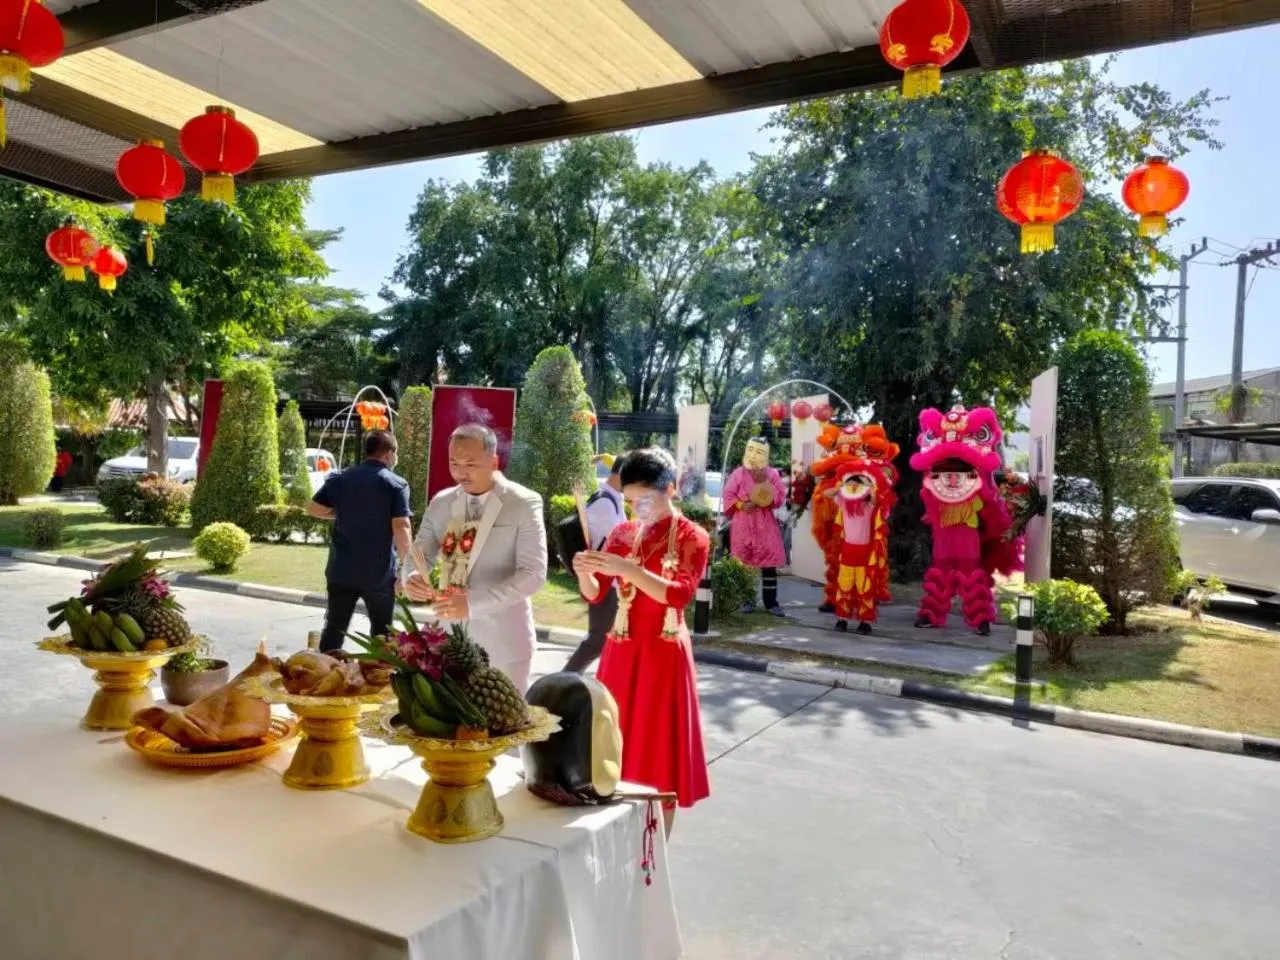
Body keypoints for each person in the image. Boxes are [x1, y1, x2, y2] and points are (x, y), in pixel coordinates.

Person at [573, 447, 711, 836]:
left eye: (645, 500)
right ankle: (615, 837)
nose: (637, 510)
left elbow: (678, 594)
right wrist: (583, 571)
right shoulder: (623, 533)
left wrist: (626, 569)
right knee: (613, 746)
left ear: (670, 489)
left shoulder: (693, 536)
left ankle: (656, 848)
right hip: (623, 648)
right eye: (631, 501)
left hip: (663, 652)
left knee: (659, 755)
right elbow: (596, 593)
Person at [404, 423, 546, 693]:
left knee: (501, 720)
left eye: (470, 464)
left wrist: (472, 603)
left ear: (493, 461)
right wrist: (411, 577)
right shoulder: (441, 502)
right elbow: (419, 552)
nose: (460, 472)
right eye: (454, 463)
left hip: (502, 643)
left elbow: (533, 573)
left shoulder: (523, 503)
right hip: (446, 641)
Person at [307, 430, 413, 653]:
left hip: (341, 570)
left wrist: (342, 513)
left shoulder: (341, 478)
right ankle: (377, 672)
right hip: (378, 573)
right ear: (388, 453)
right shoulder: (396, 484)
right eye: (396, 453)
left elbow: (313, 508)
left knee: (334, 628)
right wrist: (408, 569)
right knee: (382, 633)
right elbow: (401, 526)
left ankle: (324, 669)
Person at [563, 453, 628, 673]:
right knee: (598, 640)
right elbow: (620, 542)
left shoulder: (610, 499)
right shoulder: (605, 504)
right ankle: (563, 683)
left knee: (607, 639)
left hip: (609, 580)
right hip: (603, 581)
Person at [722, 437, 787, 616]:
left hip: (765, 525)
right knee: (745, 564)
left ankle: (771, 602)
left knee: (769, 565)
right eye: (751, 450)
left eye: (759, 451)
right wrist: (741, 504)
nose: (753, 455)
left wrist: (763, 485)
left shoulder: (772, 474)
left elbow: (779, 498)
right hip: (743, 524)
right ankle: (747, 600)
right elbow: (728, 495)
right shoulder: (738, 474)